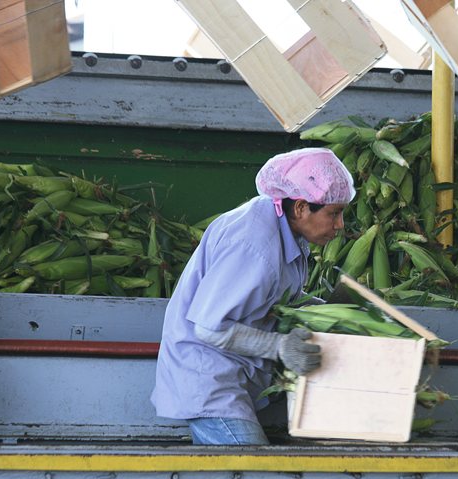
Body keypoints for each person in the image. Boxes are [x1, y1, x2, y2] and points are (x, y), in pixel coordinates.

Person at [150, 147, 355, 445]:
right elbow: (209, 327)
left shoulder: (287, 230)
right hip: (210, 377)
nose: (340, 226)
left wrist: (336, 314)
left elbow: (281, 301)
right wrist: (281, 346)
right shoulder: (254, 245)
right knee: (256, 474)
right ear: (299, 207)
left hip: (235, 374)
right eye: (334, 214)